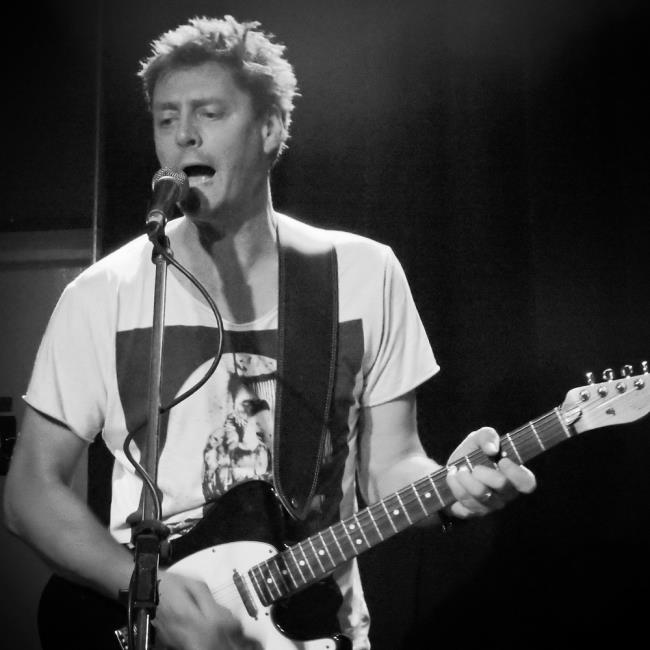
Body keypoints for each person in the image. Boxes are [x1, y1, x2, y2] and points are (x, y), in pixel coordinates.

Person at [3, 14, 536, 650]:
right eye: (166, 119)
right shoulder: (105, 293)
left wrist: (452, 489)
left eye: (209, 113)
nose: (184, 135)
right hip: (150, 629)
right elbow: (30, 489)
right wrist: (143, 590)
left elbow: (391, 465)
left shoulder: (361, 274)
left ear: (271, 129)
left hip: (316, 631)